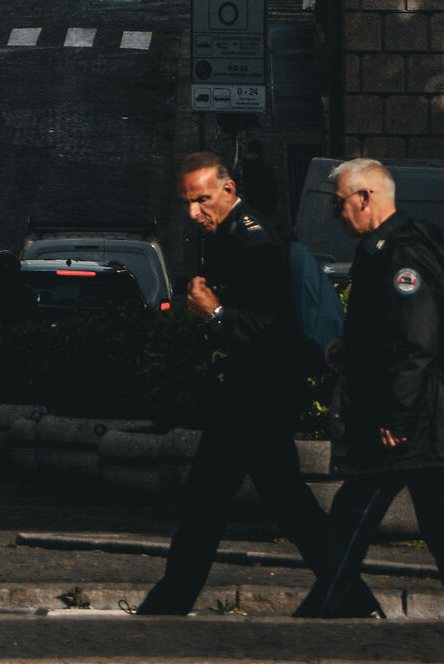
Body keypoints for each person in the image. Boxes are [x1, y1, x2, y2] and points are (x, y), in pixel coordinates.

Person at [138, 153, 376, 618]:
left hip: (256, 395)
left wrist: (216, 315)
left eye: (202, 200)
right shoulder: (228, 234)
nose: (193, 213)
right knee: (282, 505)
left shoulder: (252, 242)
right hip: (251, 394)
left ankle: (168, 605)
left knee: (210, 504)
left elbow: (275, 329)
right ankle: (352, 596)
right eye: (187, 202)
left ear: (228, 190)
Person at [296, 158, 444, 622]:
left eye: (339, 203)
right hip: (419, 420)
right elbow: (393, 332)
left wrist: (398, 418)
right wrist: (350, 348)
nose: (335, 213)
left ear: (366, 198)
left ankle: (320, 615)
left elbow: (415, 341)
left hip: (408, 420)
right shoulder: (385, 249)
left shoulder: (402, 255)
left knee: (351, 519)